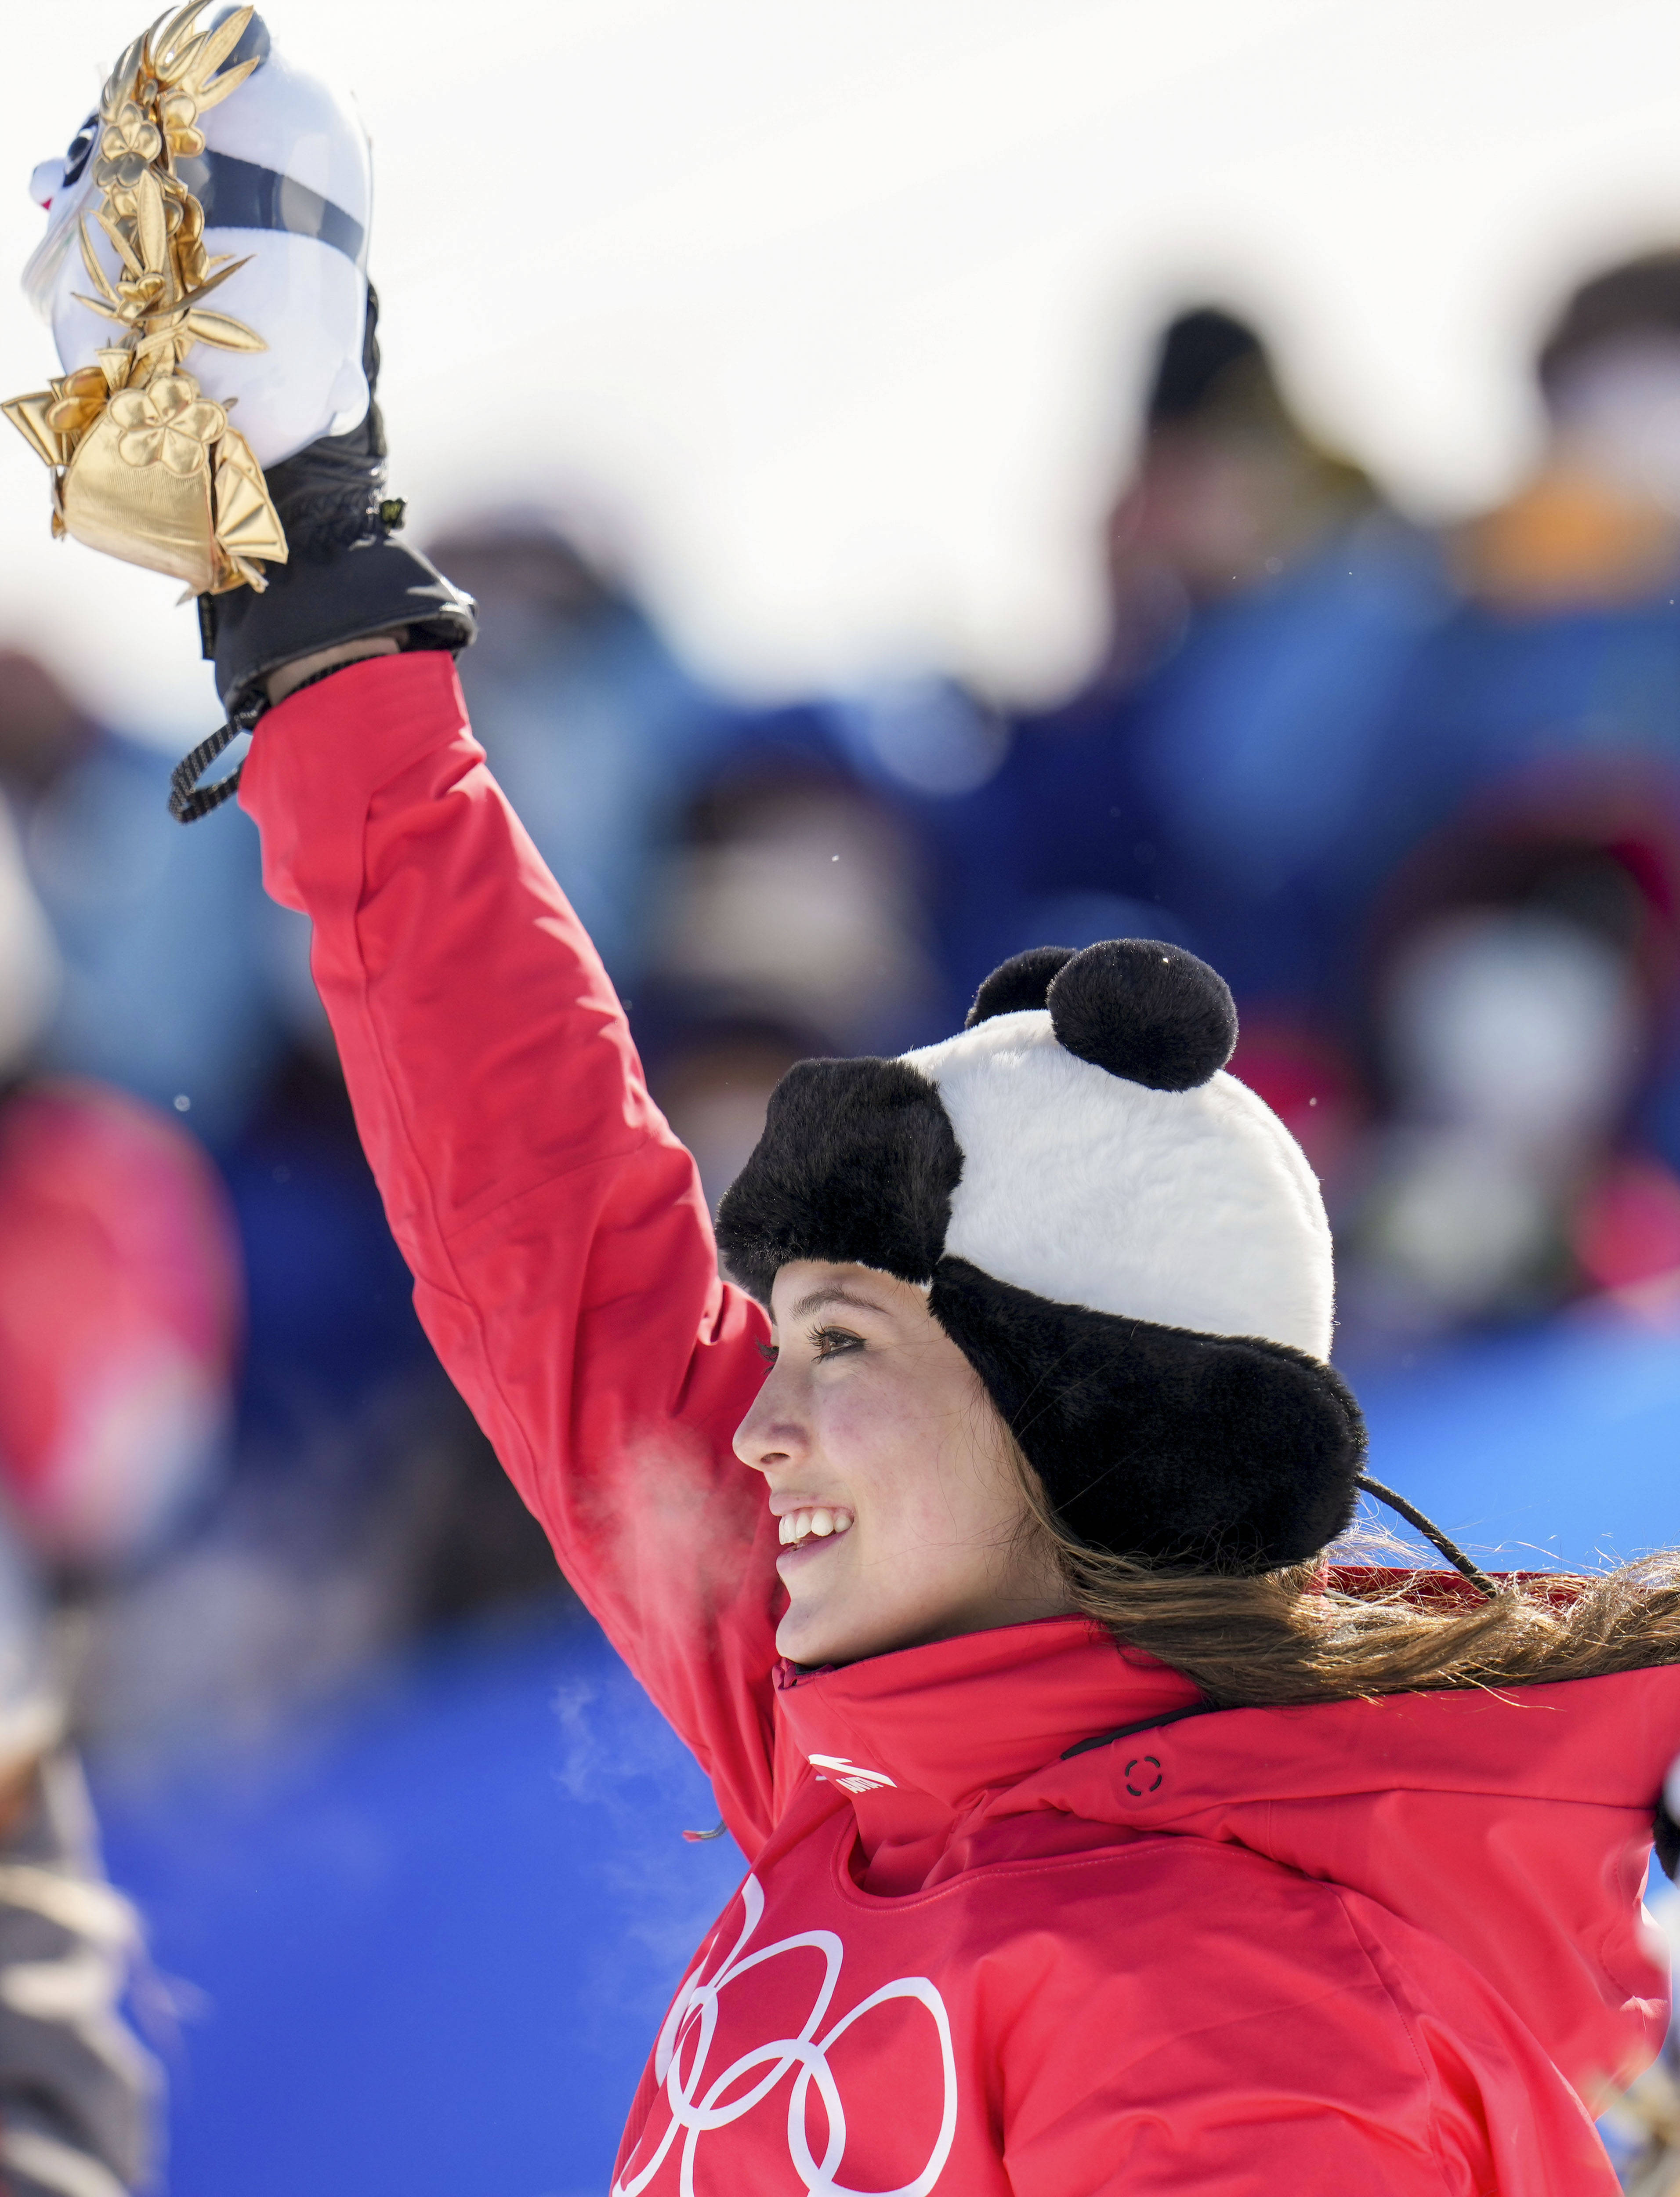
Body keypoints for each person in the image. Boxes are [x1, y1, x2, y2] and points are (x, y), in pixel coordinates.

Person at [25, 51, 1680, 2192]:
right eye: (781, 1326)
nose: (759, 1421)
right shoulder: (870, 1741)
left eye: (838, 1343)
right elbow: (545, 1202)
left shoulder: (1237, 2005)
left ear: (1080, 1414)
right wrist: (309, 578)